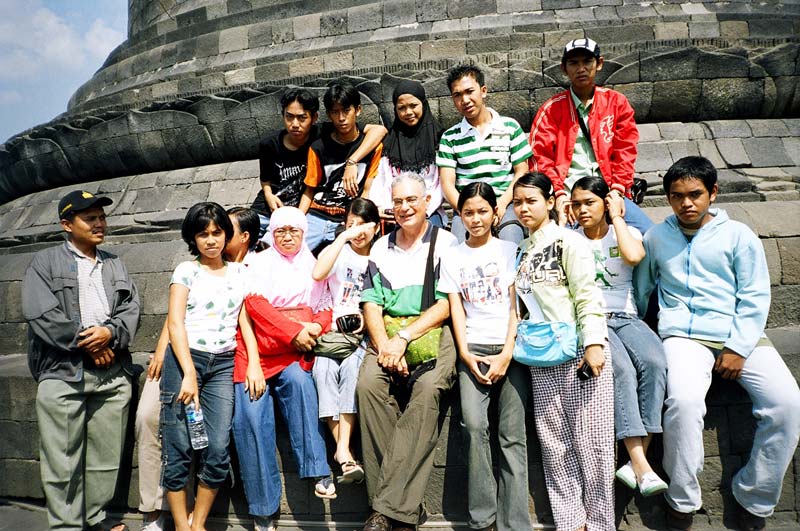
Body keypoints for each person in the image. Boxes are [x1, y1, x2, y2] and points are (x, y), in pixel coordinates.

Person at [633, 156, 800, 531]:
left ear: (713, 193)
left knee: (788, 403)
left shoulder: (738, 235)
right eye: (677, 196)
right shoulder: (657, 237)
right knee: (683, 403)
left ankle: (754, 496)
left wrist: (738, 348)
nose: (686, 204)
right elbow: (642, 289)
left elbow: (755, 295)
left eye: (695, 195)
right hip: (682, 336)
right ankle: (682, 499)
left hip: (741, 334)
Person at [134, 206, 261, 531]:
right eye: (203, 233)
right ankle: (181, 524)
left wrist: (255, 363)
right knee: (178, 448)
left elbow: (243, 320)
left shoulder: (239, 272)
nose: (211, 240)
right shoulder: (186, 271)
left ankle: (197, 523)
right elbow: (175, 323)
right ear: (193, 237)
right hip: (184, 361)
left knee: (217, 448)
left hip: (222, 364)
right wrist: (188, 372)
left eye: (217, 232)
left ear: (226, 235)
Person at [22, 190, 140, 531]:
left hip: (111, 373)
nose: (100, 223)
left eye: (101, 217)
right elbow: (41, 313)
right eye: (90, 219)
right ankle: (67, 526)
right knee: (62, 460)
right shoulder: (45, 263)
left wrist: (110, 333)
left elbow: (130, 308)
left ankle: (96, 518)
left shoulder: (114, 262)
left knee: (105, 456)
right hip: (62, 373)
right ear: (66, 224)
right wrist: (89, 342)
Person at [512, 173, 614, 531]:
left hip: (579, 356)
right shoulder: (522, 251)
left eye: (531, 201)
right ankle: (572, 523)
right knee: (556, 447)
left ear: (551, 201)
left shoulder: (568, 242)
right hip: (542, 357)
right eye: (518, 202)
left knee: (594, 446)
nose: (523, 208)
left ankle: (601, 524)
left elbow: (587, 295)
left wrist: (594, 344)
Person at [356, 172, 458, 531]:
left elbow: (447, 304)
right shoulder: (381, 247)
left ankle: (384, 510)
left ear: (427, 202)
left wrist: (405, 338)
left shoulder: (445, 243)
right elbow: (371, 302)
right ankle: (404, 510)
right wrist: (385, 344)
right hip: (389, 331)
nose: (404, 208)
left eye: (411, 200)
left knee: (429, 390)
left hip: (432, 330)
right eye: (397, 202)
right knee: (368, 385)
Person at [232, 206, 335, 531]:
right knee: (250, 416)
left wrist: (315, 328)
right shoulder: (257, 264)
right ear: (271, 234)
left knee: (300, 384)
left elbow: (327, 306)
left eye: (294, 230)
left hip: (293, 354)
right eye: (280, 231)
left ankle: (318, 469)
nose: (287, 236)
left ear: (305, 233)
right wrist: (294, 330)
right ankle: (263, 508)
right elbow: (256, 306)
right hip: (255, 355)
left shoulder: (314, 264)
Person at [438, 182, 531, 531]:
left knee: (512, 435)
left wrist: (507, 352)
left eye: (482, 211)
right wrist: (464, 352)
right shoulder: (452, 256)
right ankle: (483, 518)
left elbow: (515, 308)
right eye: (468, 212)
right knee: (473, 427)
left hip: (512, 352)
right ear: (459, 217)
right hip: (473, 349)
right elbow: (456, 310)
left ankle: (516, 523)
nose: (475, 219)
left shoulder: (510, 250)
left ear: (495, 213)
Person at [570, 176, 668, 497]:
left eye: (590, 203)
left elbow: (634, 256)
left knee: (654, 362)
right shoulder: (571, 240)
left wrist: (616, 218)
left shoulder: (625, 232)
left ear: (606, 203)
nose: (582, 210)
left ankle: (631, 463)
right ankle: (640, 463)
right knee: (622, 371)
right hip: (594, 321)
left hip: (626, 317)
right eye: (577, 204)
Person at [529, 38, 651, 234]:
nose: (581, 68)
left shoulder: (616, 103)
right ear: (564, 68)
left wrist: (618, 192)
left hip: (610, 192)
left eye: (587, 61)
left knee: (649, 236)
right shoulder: (551, 109)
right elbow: (540, 158)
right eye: (573, 63)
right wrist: (558, 194)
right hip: (570, 197)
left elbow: (625, 151)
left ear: (599, 63)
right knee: (562, 246)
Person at [251, 87, 386, 238]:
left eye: (302, 117)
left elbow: (379, 130)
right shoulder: (270, 144)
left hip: (313, 211)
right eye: (289, 117)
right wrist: (269, 195)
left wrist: (352, 162)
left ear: (314, 118)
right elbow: (265, 179)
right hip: (267, 208)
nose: (295, 124)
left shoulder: (324, 133)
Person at [311, 198, 380, 484]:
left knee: (352, 371)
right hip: (332, 332)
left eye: (363, 224)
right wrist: (343, 237)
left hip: (362, 333)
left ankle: (342, 450)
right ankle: (346, 453)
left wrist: (365, 321)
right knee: (322, 371)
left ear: (376, 226)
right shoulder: (339, 251)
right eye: (351, 224)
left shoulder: (382, 254)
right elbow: (317, 273)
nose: (358, 231)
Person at [437, 64, 532, 244]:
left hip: (505, 203)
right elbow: (447, 184)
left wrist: (501, 204)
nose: (465, 100)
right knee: (457, 247)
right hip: (467, 206)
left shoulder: (509, 127)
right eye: (457, 95)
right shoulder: (450, 137)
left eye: (469, 91)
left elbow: (521, 172)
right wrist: (467, 210)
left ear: (483, 91)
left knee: (511, 241)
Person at [301, 82, 384, 252]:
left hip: (348, 217)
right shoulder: (318, 148)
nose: (341, 118)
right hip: (317, 214)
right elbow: (309, 191)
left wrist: (358, 220)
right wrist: (297, 221)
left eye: (346, 111)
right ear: (329, 115)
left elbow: (367, 189)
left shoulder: (372, 147)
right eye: (335, 112)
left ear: (358, 110)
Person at [369, 80, 446, 228]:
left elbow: (441, 185)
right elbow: (382, 180)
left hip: (429, 211)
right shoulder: (390, 142)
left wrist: (425, 210)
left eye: (413, 106)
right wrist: (380, 207)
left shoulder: (439, 139)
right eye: (402, 108)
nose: (408, 112)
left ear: (423, 104)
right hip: (395, 211)